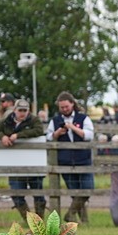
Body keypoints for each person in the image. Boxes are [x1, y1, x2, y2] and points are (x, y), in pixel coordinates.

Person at [0, 98, 47, 221]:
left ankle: (40, 220)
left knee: (38, 195)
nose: (22, 113)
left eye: (25, 110)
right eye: (20, 110)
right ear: (14, 110)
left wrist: (18, 135)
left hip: (33, 164)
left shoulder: (34, 120)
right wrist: (2, 137)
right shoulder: (6, 120)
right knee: (16, 194)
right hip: (14, 164)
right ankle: (29, 220)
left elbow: (39, 130)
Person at [47, 91, 94, 224]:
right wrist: (58, 133)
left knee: (87, 189)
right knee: (75, 193)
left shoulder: (83, 118)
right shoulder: (55, 120)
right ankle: (84, 221)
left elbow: (89, 135)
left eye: (66, 106)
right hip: (65, 161)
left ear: (72, 104)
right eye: (62, 107)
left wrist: (73, 128)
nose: (64, 109)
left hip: (83, 159)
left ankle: (69, 214)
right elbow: (48, 137)